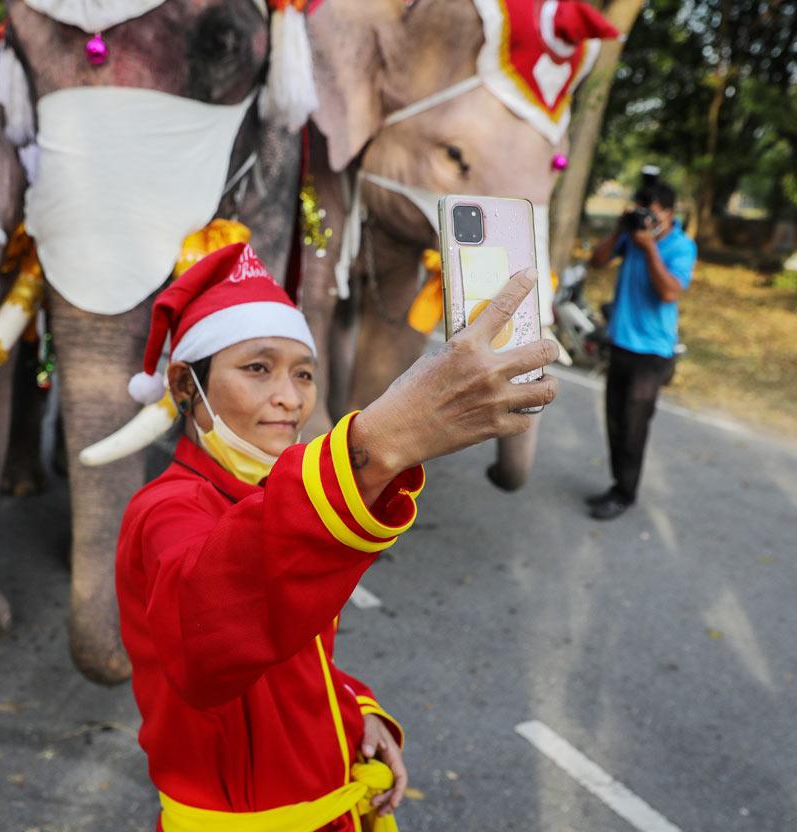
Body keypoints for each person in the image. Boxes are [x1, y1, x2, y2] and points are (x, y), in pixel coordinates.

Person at [115, 242, 558, 831]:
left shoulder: (262, 495)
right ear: (184, 384)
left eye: (303, 373)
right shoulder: (166, 510)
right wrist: (374, 446)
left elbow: (294, 652)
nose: (290, 397)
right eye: (257, 368)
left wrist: (354, 711)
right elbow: (206, 639)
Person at [586, 182, 697, 520]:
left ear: (669, 214)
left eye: (653, 212)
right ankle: (618, 483)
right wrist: (622, 227)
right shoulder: (631, 236)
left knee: (634, 427)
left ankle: (624, 493)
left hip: (652, 354)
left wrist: (649, 248)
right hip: (620, 343)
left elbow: (668, 292)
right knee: (615, 421)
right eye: (641, 210)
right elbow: (597, 261)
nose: (646, 218)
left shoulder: (681, 246)